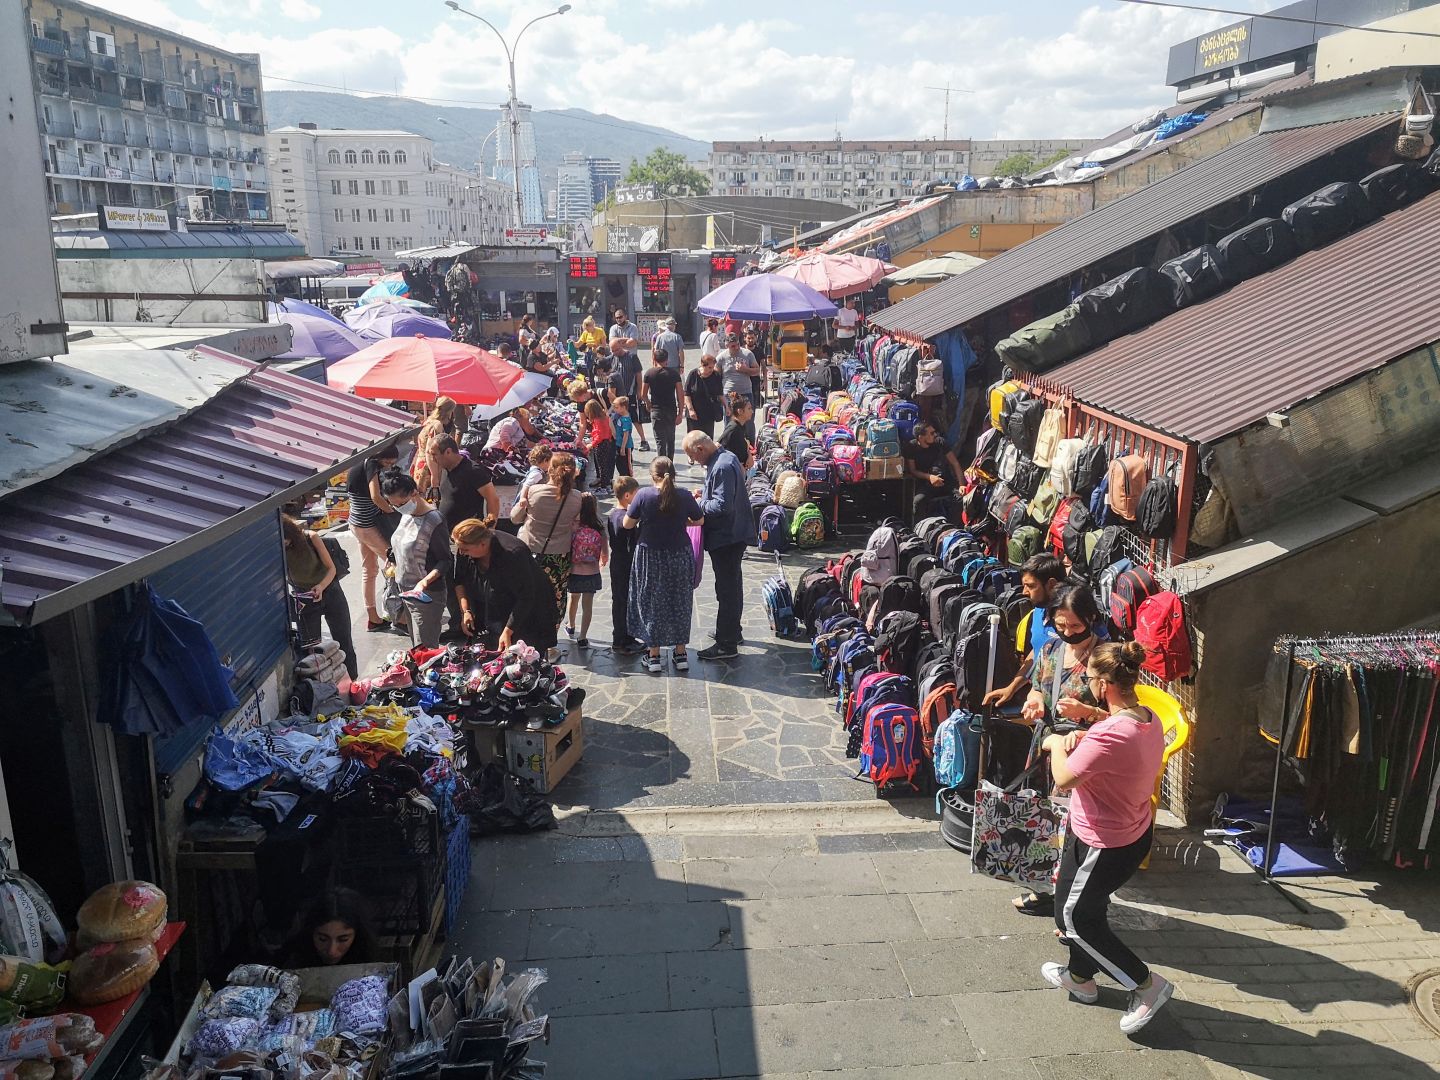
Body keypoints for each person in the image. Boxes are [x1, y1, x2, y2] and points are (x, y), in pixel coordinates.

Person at [1041, 640, 1173, 1034]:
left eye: (1091, 678)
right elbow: (1115, 736)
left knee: (1076, 917)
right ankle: (1079, 978)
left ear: (1104, 684)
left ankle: (1146, 985)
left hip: (1105, 843)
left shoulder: (1108, 735)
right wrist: (1088, 724)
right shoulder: (1145, 717)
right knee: (1075, 907)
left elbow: (1063, 778)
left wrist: (1053, 744)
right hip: (1114, 832)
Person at [1013, 584, 1108, 917]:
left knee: (1069, 829)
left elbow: (1124, 718)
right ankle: (1044, 887)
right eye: (1060, 625)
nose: (1067, 633)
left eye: (1076, 627)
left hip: (1080, 754)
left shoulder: (1106, 658)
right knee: (1043, 821)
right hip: (1046, 744)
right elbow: (1037, 689)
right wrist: (1034, 703)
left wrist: (1088, 716)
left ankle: (1063, 896)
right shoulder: (1051, 648)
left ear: (1092, 619)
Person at [622, 457, 703, 674]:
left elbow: (627, 524)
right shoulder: (684, 495)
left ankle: (654, 655)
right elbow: (700, 520)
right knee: (680, 600)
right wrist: (680, 521)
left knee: (651, 600)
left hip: (650, 554)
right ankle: (680, 653)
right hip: (679, 553)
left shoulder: (644, 495)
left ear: (652, 475)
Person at [683, 431, 756, 661]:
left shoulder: (721, 466)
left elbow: (722, 506)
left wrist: (699, 502)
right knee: (732, 585)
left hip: (727, 537)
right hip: (734, 534)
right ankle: (732, 631)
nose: (694, 461)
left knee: (726, 590)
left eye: (693, 457)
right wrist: (704, 493)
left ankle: (726, 644)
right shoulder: (727, 457)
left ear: (701, 449)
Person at [450, 520, 558, 652]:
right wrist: (465, 611)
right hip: (492, 608)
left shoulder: (513, 553)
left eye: (465, 549)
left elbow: (526, 597)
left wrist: (508, 631)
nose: (461, 553)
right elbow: (459, 580)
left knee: (523, 659)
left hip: (526, 612)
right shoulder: (465, 549)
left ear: (482, 544)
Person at [983, 554, 1071, 709]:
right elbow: (1037, 653)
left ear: (1051, 585)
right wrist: (1012, 688)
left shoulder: (1072, 623)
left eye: (1030, 586)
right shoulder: (1038, 610)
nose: (1024, 592)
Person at [510, 452, 583, 628]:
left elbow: (515, 518)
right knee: (556, 596)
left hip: (531, 551)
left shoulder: (535, 492)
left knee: (528, 594)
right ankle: (550, 640)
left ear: (549, 470)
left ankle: (526, 636)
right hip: (560, 555)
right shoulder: (576, 497)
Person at [379, 471, 451, 649]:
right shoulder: (406, 515)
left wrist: (424, 583)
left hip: (426, 595)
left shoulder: (434, 520)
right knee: (416, 646)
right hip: (405, 591)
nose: (398, 508)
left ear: (414, 493)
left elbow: (445, 561)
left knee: (425, 648)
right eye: (393, 505)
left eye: (401, 503)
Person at [281, 516, 358, 680]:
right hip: (304, 598)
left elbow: (331, 568)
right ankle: (320, 688)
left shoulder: (310, 538)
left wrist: (321, 587)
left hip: (330, 592)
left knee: (344, 641)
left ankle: (354, 683)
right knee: (311, 650)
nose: (285, 544)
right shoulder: (278, 550)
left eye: (286, 541)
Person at [346, 444, 401, 632]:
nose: (387, 466)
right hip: (367, 526)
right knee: (394, 564)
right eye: (386, 462)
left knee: (369, 570)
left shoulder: (358, 461)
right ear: (379, 456)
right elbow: (376, 496)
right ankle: (398, 615)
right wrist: (395, 512)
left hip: (356, 523)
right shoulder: (371, 464)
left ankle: (373, 618)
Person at [283, 888, 378, 968]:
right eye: (322, 939)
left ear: (357, 935)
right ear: (310, 932)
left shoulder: (368, 964)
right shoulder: (292, 960)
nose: (331, 951)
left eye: (343, 939)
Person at [605, 476, 643, 655]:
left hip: (619, 562)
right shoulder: (623, 518)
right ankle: (620, 640)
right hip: (623, 563)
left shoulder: (614, 514)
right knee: (621, 601)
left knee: (623, 600)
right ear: (627, 495)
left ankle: (626, 636)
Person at [564, 493, 608, 648]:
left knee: (573, 598)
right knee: (587, 605)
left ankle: (571, 625)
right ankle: (583, 636)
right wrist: (602, 560)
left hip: (575, 570)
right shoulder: (599, 525)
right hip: (592, 572)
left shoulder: (574, 525)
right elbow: (604, 552)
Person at [903, 422, 964, 520]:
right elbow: (913, 470)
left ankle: (954, 528)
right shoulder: (912, 447)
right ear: (921, 437)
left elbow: (955, 463)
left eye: (935, 432)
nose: (935, 435)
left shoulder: (940, 442)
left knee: (961, 499)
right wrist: (929, 477)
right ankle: (919, 529)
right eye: (931, 433)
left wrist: (961, 485)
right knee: (918, 502)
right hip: (926, 483)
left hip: (945, 481)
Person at [642, 349, 685, 461]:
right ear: (667, 359)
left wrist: (648, 404)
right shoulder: (674, 374)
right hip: (671, 409)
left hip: (656, 410)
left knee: (660, 441)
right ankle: (669, 465)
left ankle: (661, 466)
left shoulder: (649, 373)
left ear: (654, 359)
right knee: (670, 440)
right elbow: (680, 394)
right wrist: (680, 413)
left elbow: (643, 394)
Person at [718, 333, 760, 443]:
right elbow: (717, 376)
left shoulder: (747, 354)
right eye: (733, 346)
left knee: (749, 421)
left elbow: (757, 371)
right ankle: (729, 445)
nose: (736, 348)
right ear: (727, 345)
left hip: (746, 392)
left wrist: (745, 369)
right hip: (729, 394)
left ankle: (751, 446)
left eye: (737, 344)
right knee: (729, 421)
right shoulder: (722, 357)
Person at [610, 341, 648, 452]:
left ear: (621, 346)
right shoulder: (613, 357)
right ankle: (619, 440)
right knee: (617, 418)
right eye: (612, 350)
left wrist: (639, 390)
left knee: (634, 417)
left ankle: (643, 440)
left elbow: (638, 374)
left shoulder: (632, 356)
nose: (614, 352)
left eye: (616, 349)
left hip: (630, 393)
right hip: (618, 395)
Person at [415, 397, 458, 492]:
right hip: (429, 467)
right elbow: (431, 452)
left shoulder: (429, 421)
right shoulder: (437, 425)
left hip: (420, 463)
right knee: (431, 499)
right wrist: (434, 476)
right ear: (449, 412)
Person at [684, 353, 725, 437]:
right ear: (703, 365)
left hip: (709, 413)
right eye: (710, 367)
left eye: (713, 367)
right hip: (694, 413)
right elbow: (687, 394)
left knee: (707, 438)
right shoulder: (693, 374)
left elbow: (720, 393)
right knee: (694, 438)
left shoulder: (716, 375)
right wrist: (691, 409)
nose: (712, 369)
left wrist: (726, 406)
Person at [581, 398, 616, 494]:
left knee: (602, 466)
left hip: (601, 445)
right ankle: (607, 485)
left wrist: (591, 445)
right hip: (607, 442)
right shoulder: (605, 417)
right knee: (605, 465)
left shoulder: (597, 421)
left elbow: (599, 436)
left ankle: (604, 488)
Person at [718, 393, 755, 471]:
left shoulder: (741, 425)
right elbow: (718, 446)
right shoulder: (732, 428)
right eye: (749, 409)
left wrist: (749, 455)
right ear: (740, 411)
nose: (752, 411)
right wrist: (736, 464)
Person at [610, 396, 635, 478]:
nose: (615, 409)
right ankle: (623, 477)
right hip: (619, 443)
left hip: (626, 446)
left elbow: (626, 434)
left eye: (617, 407)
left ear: (623, 407)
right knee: (620, 464)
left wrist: (623, 447)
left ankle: (628, 480)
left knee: (627, 465)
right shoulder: (620, 416)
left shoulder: (625, 420)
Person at [743, 328, 766, 403]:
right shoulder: (741, 350)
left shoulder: (759, 350)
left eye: (752, 338)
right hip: (743, 380)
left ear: (755, 338)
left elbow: (763, 366)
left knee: (754, 403)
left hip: (755, 380)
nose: (750, 340)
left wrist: (765, 381)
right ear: (745, 338)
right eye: (748, 338)